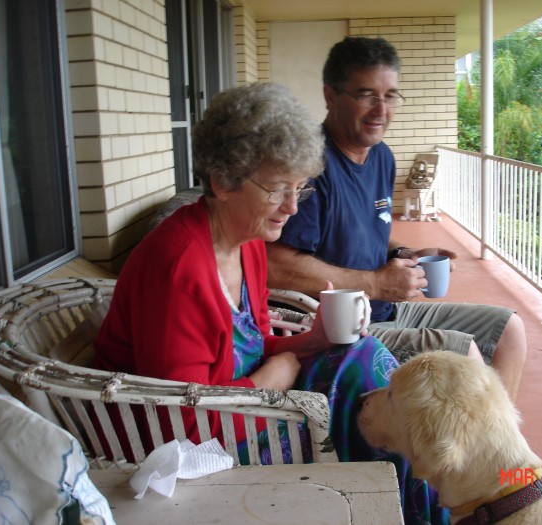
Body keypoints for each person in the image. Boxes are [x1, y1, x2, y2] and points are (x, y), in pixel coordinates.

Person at [93, 82, 447, 524]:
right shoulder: (178, 270)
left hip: (244, 403)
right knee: (364, 392)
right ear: (223, 180)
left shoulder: (246, 243)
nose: (292, 208)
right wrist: (270, 380)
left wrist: (307, 343)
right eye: (278, 189)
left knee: (362, 357)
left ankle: (426, 506)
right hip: (198, 447)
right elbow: (182, 430)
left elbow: (251, 346)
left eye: (300, 189)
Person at [266, 36, 527, 402]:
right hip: (343, 328)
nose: (380, 110)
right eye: (365, 94)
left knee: (508, 332)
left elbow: (358, 231)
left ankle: (500, 453)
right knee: (462, 360)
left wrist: (404, 252)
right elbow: (273, 264)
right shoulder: (309, 166)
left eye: (390, 96)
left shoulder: (382, 157)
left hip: (387, 309)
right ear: (330, 95)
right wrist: (375, 283)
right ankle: (473, 456)